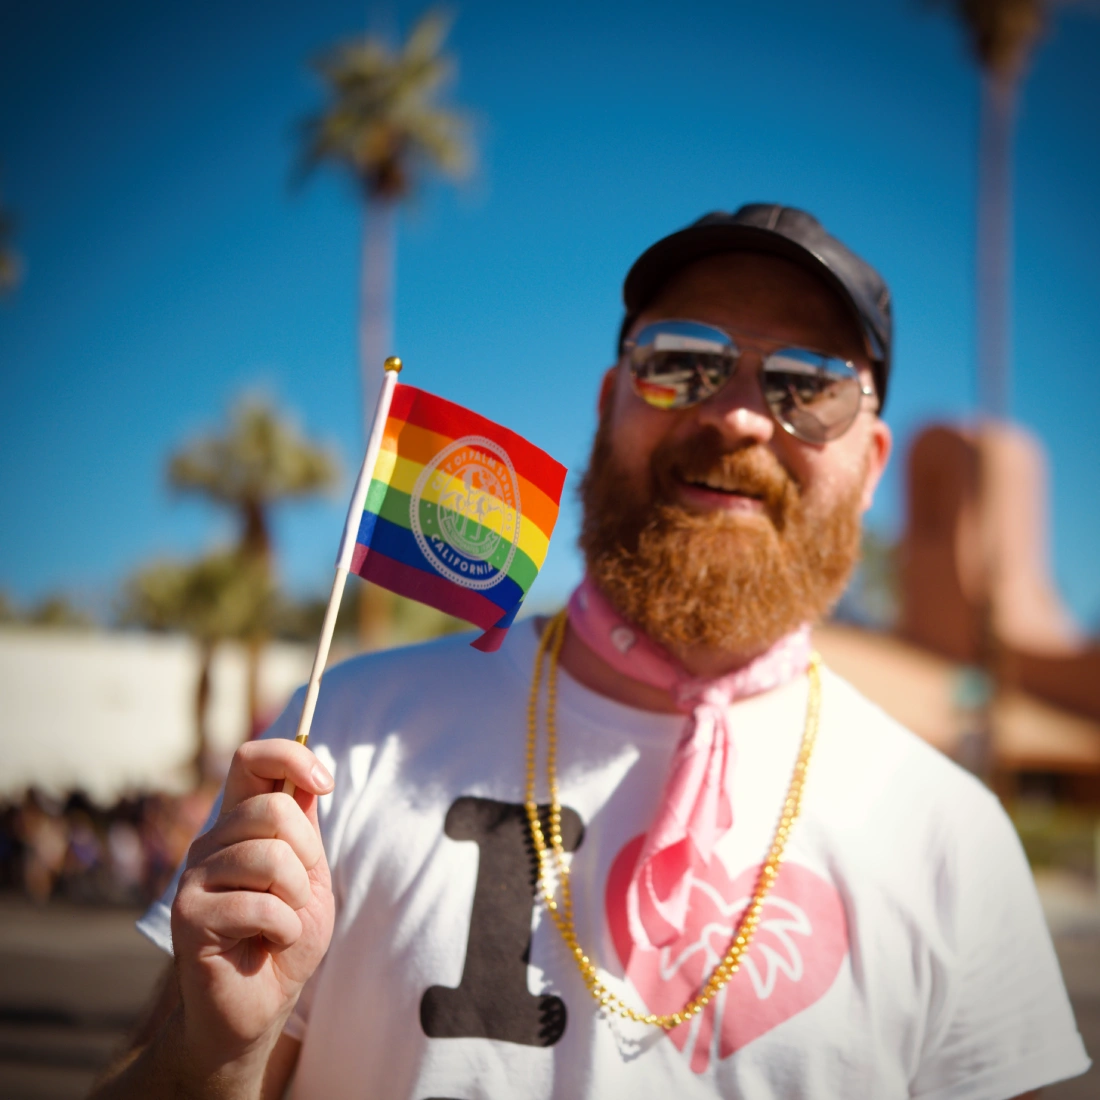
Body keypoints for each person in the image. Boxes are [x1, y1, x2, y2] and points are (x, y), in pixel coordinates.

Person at [93, 205, 1089, 1099]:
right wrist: (214, 1055)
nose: (737, 412)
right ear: (612, 400)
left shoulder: (950, 833)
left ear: (870, 462)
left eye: (806, 384)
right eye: (681, 358)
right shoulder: (345, 738)